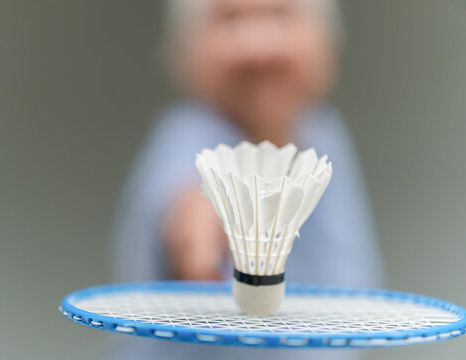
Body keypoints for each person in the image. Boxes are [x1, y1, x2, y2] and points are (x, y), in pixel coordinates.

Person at [99, 0, 384, 359]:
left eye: (280, 15)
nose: (257, 47)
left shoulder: (326, 133)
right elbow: (187, 211)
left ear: (327, 42)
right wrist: (199, 229)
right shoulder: (186, 137)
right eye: (229, 20)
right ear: (184, 53)